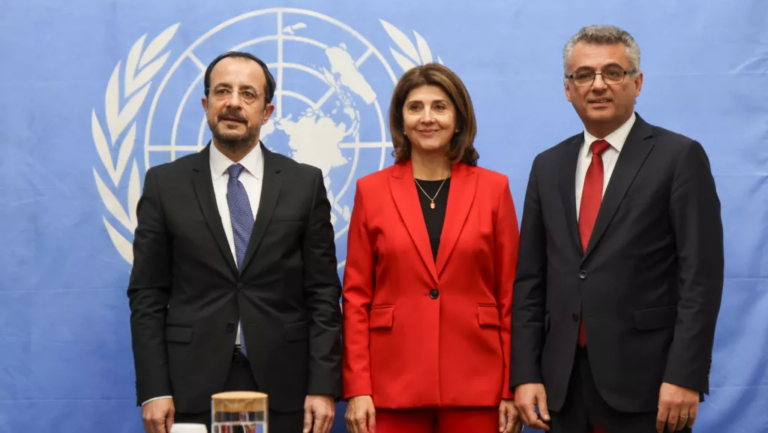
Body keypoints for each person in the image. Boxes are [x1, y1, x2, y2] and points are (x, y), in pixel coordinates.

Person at [511, 25, 724, 433]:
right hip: (561, 387)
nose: (598, 85)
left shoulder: (679, 157)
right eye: (583, 75)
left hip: (650, 384)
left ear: (637, 82)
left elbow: (701, 278)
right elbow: (530, 282)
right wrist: (525, 374)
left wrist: (686, 375)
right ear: (568, 88)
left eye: (613, 72)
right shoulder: (547, 166)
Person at [128, 51, 342, 433]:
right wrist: (154, 389)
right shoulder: (165, 184)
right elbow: (148, 294)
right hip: (189, 387)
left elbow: (323, 293)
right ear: (206, 104)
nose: (233, 103)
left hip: (287, 386)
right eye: (222, 91)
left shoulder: (304, 184)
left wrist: (323, 386)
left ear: (267, 111)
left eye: (248, 94)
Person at [342, 63, 523, 433]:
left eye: (439, 107)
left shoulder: (494, 190)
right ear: (401, 120)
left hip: (480, 384)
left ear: (458, 120)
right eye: (415, 107)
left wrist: (512, 386)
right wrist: (358, 387)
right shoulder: (370, 191)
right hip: (391, 387)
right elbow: (356, 298)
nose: (427, 118)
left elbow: (511, 296)